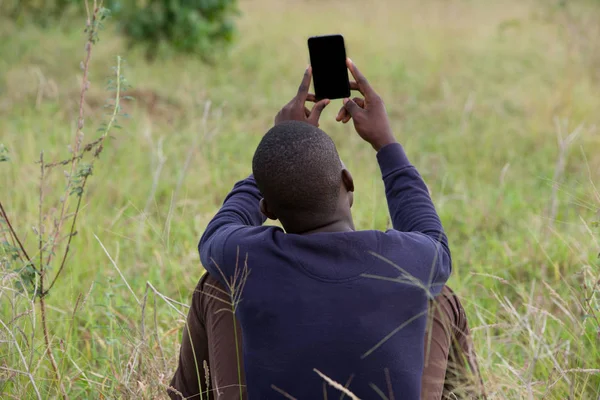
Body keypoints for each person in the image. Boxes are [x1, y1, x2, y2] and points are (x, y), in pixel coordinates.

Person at [169, 59, 485, 399]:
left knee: (217, 283)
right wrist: (386, 144)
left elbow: (218, 231)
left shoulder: (247, 257)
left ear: (267, 209)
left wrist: (276, 154)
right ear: (348, 183)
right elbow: (431, 234)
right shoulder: (408, 260)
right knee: (438, 294)